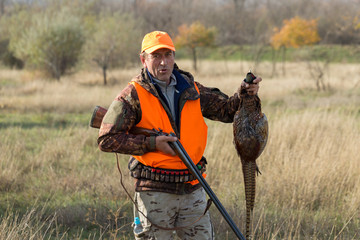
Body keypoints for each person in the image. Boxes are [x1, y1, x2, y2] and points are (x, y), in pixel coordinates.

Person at [98, 30, 261, 240]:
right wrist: (152, 143)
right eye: (156, 56)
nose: (163, 62)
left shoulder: (190, 88)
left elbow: (227, 111)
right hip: (154, 194)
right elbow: (106, 139)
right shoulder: (133, 94)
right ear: (143, 59)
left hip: (193, 189)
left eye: (168, 55)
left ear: (174, 56)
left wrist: (245, 92)